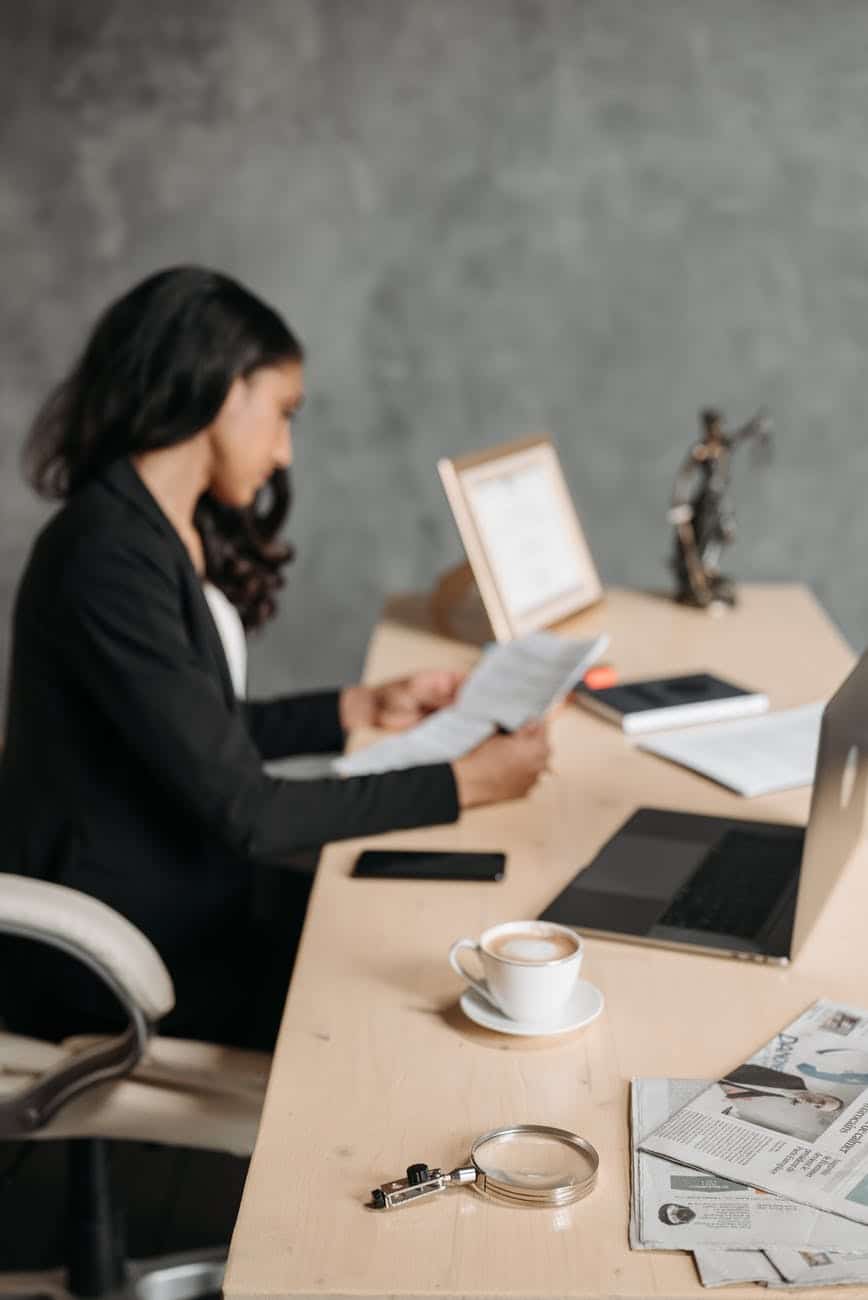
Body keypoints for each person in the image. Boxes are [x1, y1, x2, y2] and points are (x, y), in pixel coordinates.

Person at [0, 267, 549, 1051]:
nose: (285, 451)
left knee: (424, 928)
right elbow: (248, 810)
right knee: (413, 998)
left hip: (181, 884)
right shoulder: (107, 558)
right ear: (223, 388)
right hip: (111, 948)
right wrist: (467, 781)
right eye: (283, 413)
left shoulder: (153, 528)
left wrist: (353, 710)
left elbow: (191, 729)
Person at [719, 1064, 844, 1141]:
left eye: (818, 1107)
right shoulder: (796, 1081)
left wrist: (731, 1095)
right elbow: (756, 1070)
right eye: (822, 1101)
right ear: (823, 1094)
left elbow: (761, 1091)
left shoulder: (788, 1099)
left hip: (725, 1081)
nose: (814, 1104)